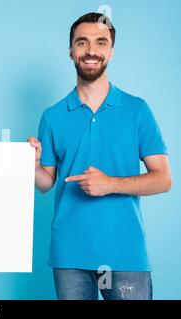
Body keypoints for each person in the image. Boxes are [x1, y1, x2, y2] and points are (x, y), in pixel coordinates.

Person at [28, 13, 172, 300]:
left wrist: (110, 184)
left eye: (100, 42)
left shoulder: (137, 110)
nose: (91, 51)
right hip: (70, 253)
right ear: (71, 51)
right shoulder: (53, 116)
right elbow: (46, 183)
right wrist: (31, 164)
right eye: (82, 42)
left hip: (124, 252)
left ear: (111, 51)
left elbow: (163, 179)